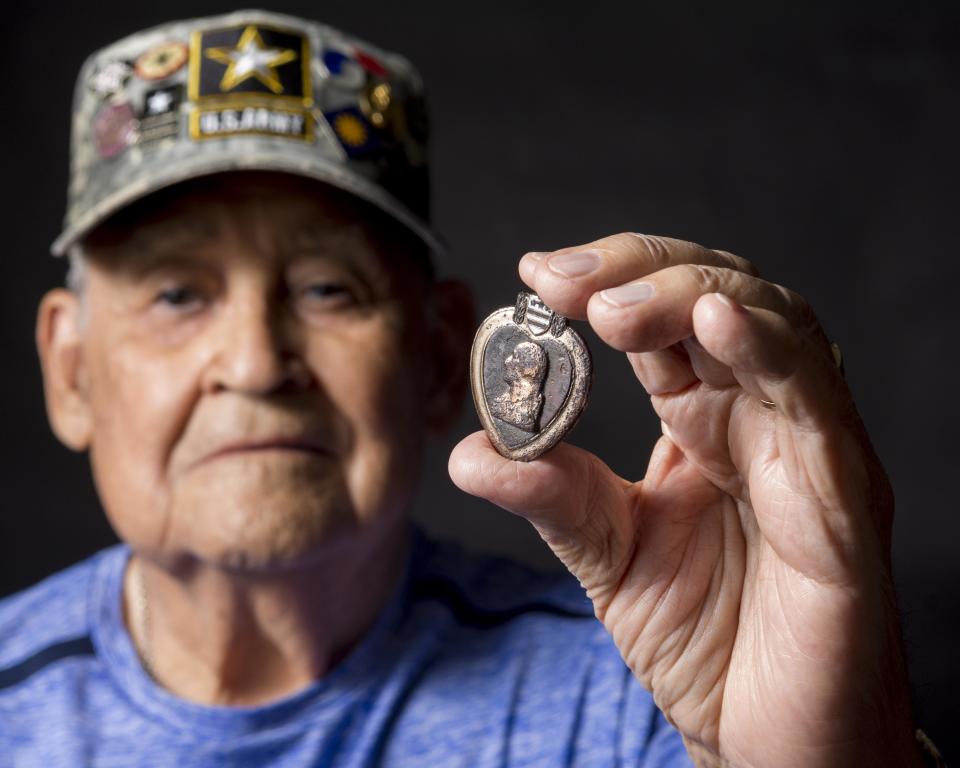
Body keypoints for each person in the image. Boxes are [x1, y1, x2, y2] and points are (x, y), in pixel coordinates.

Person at [0, 9, 940, 767]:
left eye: (329, 288)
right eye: (176, 294)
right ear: (71, 369)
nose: (253, 364)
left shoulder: (656, 700)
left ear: (444, 356)